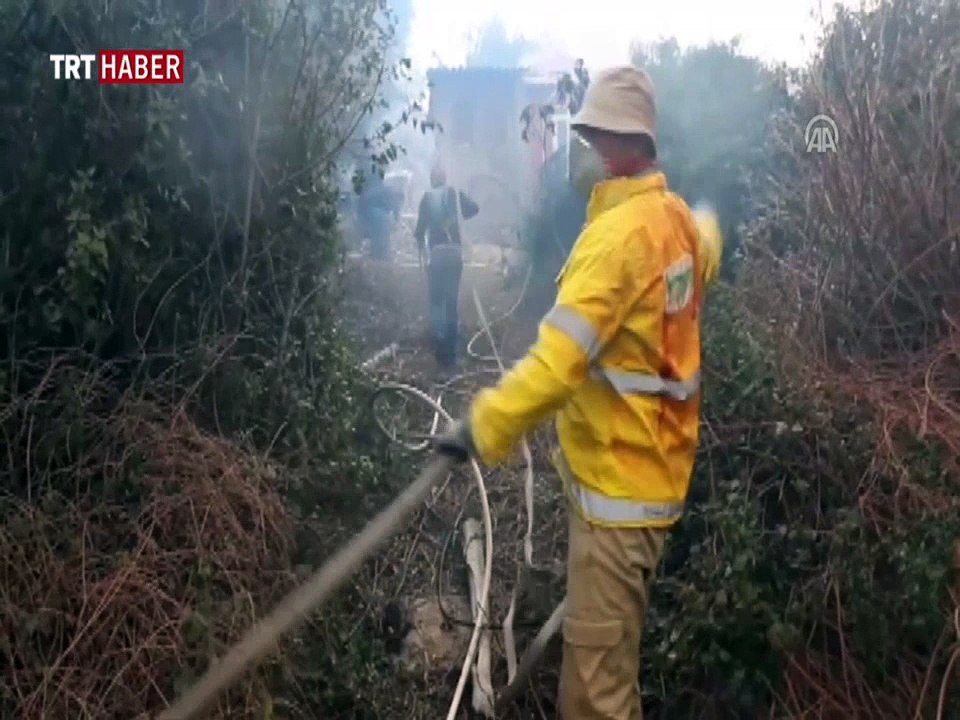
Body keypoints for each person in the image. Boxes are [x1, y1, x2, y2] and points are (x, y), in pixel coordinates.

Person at [433, 66, 722, 719]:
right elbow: (706, 249)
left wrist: (481, 428)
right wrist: (713, 220)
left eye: (591, 141)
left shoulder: (616, 240)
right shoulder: (674, 225)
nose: (583, 155)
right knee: (613, 662)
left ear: (619, 146)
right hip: (656, 486)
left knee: (594, 697)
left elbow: (556, 365)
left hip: (618, 497)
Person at [412, 163, 479, 369]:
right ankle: (451, 354)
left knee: (437, 302)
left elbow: (419, 232)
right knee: (451, 302)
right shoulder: (454, 193)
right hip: (454, 254)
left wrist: (420, 244)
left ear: (432, 179)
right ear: (445, 178)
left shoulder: (426, 198)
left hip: (437, 255)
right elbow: (474, 209)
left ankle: (440, 349)